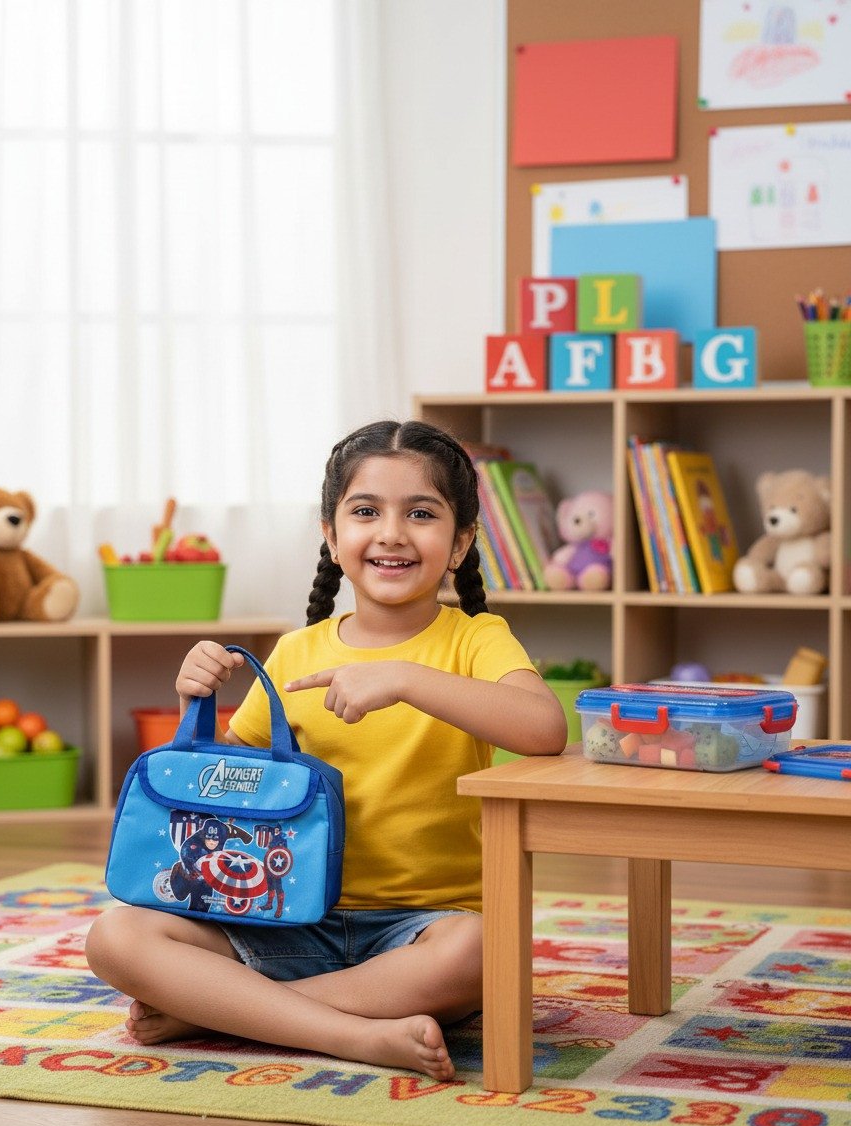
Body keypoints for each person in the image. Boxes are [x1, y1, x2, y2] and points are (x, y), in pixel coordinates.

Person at [86, 419, 567, 1080]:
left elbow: (544, 728)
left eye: (421, 513)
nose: (392, 532)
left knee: (486, 949)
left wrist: (404, 678)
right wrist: (191, 707)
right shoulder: (297, 652)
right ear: (332, 537)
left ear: (460, 544)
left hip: (422, 934)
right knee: (115, 936)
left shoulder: (476, 640)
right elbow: (226, 799)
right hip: (285, 921)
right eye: (366, 511)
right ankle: (353, 1035)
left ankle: (227, 1013)